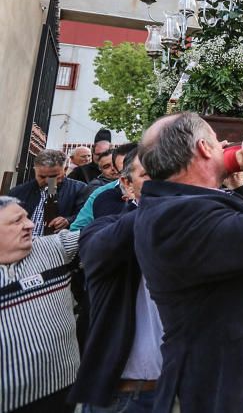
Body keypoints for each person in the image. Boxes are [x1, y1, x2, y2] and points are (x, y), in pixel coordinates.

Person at [134, 112, 243, 413]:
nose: (223, 145)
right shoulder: (173, 217)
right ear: (204, 148)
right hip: (237, 390)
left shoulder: (185, 202)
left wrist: (240, 189)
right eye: (217, 142)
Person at [70, 149, 162, 413]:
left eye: (165, 176)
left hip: (181, 390)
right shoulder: (102, 229)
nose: (159, 184)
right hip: (126, 395)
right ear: (126, 184)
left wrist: (236, 187)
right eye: (147, 176)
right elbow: (114, 239)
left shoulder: (189, 224)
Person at [0, 196, 80, 413]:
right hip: (9, 400)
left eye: (26, 217)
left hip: (63, 384)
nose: (30, 224)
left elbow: (104, 236)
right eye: (17, 221)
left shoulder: (52, 247)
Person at [9, 149, 87, 236]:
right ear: (35, 170)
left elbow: (86, 216)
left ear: (65, 169)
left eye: (53, 176)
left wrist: (68, 220)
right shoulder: (19, 192)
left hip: (57, 246)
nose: (47, 181)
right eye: (42, 176)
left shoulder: (79, 189)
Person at [72, 144, 139, 230]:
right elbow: (77, 229)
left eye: (137, 170)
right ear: (117, 170)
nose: (132, 177)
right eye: (125, 172)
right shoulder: (101, 194)